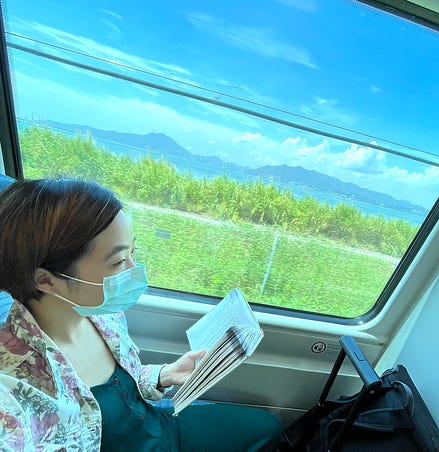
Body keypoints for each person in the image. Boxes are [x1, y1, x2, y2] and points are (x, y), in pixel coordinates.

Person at [0, 177, 282, 451]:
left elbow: (123, 385)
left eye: (133, 252)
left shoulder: (101, 312)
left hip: (156, 426)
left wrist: (164, 375)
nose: (134, 269)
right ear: (47, 281)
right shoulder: (15, 389)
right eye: (119, 261)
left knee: (267, 427)